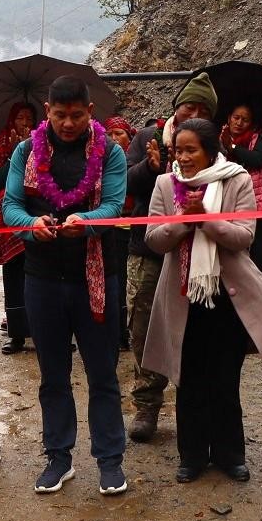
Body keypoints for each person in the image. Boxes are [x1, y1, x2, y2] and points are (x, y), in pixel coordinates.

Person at [143, 119, 262, 483]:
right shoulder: (165, 184)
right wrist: (183, 221)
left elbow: (244, 236)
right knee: (189, 379)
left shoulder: (236, 179)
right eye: (178, 150)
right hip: (183, 296)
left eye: (191, 150)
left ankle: (230, 454)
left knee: (225, 378)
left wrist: (207, 220)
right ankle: (191, 456)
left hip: (228, 297)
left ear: (210, 152)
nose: (183, 157)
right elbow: (153, 239)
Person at [2, 76, 129, 496]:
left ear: (90, 112)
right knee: (53, 374)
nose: (69, 123)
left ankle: (110, 460)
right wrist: (31, 225)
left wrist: (86, 222)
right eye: (60, 115)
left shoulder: (110, 152)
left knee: (102, 372)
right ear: (48, 111)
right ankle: (59, 457)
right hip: (42, 278)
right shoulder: (26, 151)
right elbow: (11, 206)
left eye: (76, 115)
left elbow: (114, 205)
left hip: (96, 277)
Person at [123, 72, 216, 443]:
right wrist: (150, 168)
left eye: (203, 111)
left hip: (200, 254)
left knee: (193, 330)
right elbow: (123, 183)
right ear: (176, 107)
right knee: (143, 326)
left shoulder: (214, 149)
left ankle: (192, 406)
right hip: (148, 250)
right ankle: (147, 403)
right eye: (188, 106)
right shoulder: (148, 137)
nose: (194, 114)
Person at [0, 101, 35, 354]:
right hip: (10, 223)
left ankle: (45, 333)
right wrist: (17, 152)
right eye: (20, 118)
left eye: (29, 118)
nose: (25, 123)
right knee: (15, 276)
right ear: (11, 120)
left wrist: (31, 149)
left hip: (37, 219)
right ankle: (17, 335)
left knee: (41, 277)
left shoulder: (44, 143)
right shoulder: (0, 143)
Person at [219, 103, 262, 278]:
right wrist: (225, 146)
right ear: (229, 118)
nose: (239, 123)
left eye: (245, 120)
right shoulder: (219, 140)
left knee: (259, 265)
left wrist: (233, 148)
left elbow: (258, 159)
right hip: (231, 209)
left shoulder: (257, 138)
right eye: (236, 118)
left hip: (261, 210)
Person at [104, 116, 137, 351]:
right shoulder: (102, 160)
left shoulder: (137, 162)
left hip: (134, 229)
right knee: (116, 282)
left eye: (119, 133)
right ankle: (118, 333)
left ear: (129, 136)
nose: (114, 138)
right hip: (112, 231)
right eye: (110, 134)